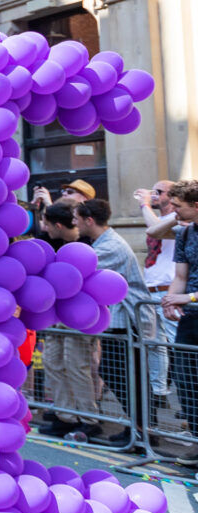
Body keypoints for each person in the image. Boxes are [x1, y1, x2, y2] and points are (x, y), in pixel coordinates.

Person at [70, 199, 155, 446]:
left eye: (76, 218)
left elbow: (81, 273)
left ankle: (142, 430)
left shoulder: (111, 247)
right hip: (119, 320)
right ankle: (137, 428)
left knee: (127, 374)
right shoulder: (102, 242)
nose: (73, 222)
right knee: (117, 372)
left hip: (130, 319)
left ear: (89, 220)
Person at [33, 202, 96, 438]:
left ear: (58, 225)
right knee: (52, 363)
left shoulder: (85, 245)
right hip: (54, 312)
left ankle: (90, 419)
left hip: (78, 313)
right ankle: (65, 416)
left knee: (77, 366)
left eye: (47, 225)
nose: (44, 229)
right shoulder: (51, 242)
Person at [160, 181, 198, 465]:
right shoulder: (185, 234)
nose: (172, 210)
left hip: (193, 305)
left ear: (195, 205)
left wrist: (189, 297)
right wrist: (170, 301)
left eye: (178, 206)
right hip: (191, 318)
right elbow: (180, 277)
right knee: (186, 381)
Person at [136, 182, 181, 409]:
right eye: (152, 190)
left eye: (159, 192)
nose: (154, 195)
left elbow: (153, 228)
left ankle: (185, 398)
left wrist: (144, 204)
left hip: (169, 289)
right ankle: (159, 391)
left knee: (177, 344)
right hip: (152, 289)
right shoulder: (159, 218)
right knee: (155, 344)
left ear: (172, 197)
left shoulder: (178, 219)